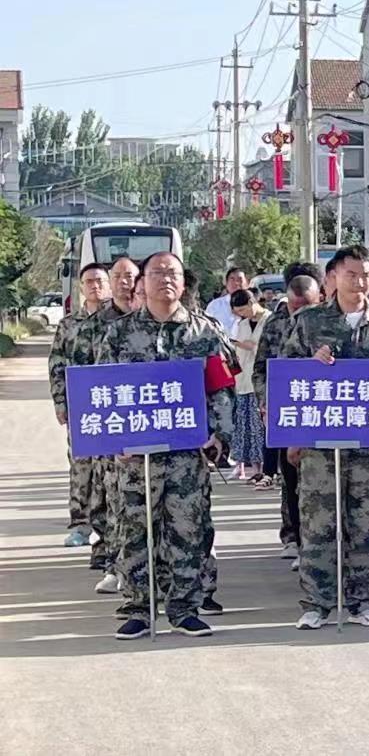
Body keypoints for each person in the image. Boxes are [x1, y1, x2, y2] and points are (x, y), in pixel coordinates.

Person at [99, 251, 236, 639]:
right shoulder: (119, 334)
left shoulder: (205, 332)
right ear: (141, 282)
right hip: (135, 456)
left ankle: (184, 607)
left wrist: (218, 436)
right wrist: (113, 440)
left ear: (183, 281)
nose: (165, 280)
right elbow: (101, 392)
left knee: (188, 529)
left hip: (186, 455)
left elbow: (221, 391)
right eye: (157, 273)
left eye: (172, 272)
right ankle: (139, 607)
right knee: (135, 529)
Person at [282, 245, 369, 629]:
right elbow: (283, 375)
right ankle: (316, 602)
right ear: (334, 277)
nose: (361, 282)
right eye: (352, 274)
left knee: (367, 522)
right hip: (321, 441)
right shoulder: (310, 321)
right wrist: (309, 365)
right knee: (319, 522)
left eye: (367, 274)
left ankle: (365, 600)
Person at [70, 256, 141, 596]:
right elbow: (79, 373)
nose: (126, 283)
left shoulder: (156, 321)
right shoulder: (96, 325)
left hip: (151, 429)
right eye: (120, 277)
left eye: (131, 276)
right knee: (111, 500)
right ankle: (115, 565)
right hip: (111, 429)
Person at [253, 265, 322, 567]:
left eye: (307, 306)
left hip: (323, 410)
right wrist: (266, 404)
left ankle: (317, 542)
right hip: (288, 411)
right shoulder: (275, 324)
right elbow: (261, 369)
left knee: (318, 480)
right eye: (296, 306)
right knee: (291, 477)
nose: (300, 312)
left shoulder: (327, 322)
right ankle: (294, 536)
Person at [49, 263, 109, 550]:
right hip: (81, 406)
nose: (95, 286)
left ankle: (109, 527)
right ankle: (80, 525)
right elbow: (57, 364)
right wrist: (61, 401)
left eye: (100, 281)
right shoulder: (69, 324)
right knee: (81, 467)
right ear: (81, 287)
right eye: (89, 281)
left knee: (110, 468)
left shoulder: (120, 321)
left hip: (113, 407)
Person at [228, 290, 269, 484]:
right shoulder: (242, 324)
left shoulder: (269, 320)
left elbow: (256, 346)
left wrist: (241, 344)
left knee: (259, 425)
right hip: (242, 378)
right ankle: (249, 466)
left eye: (243, 309)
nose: (242, 315)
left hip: (260, 378)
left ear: (252, 302)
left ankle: (263, 468)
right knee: (244, 425)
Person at [206, 267, 249, 335]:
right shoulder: (215, 306)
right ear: (226, 283)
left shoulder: (254, 305)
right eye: (232, 279)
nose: (236, 283)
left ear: (247, 283)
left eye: (240, 279)